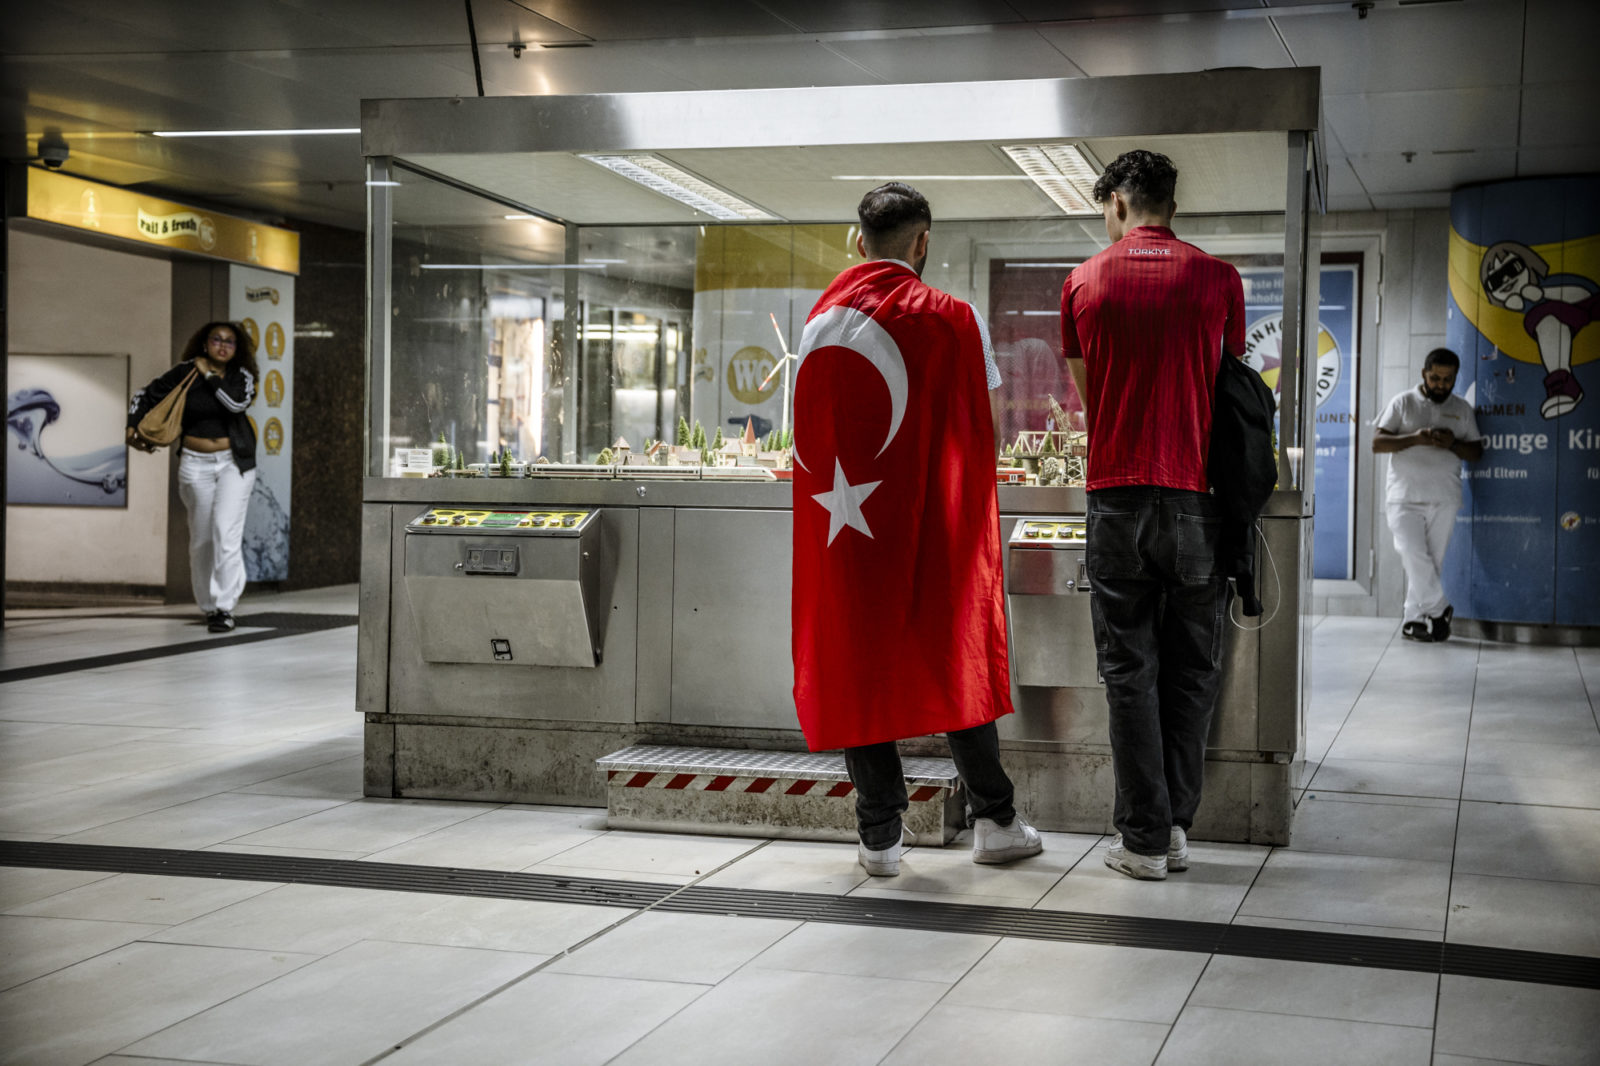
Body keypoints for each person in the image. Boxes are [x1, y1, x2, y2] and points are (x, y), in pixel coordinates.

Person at [792, 182, 1041, 877]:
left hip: (850, 530)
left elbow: (809, 439)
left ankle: (879, 838)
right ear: (923, 241)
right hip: (934, 527)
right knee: (953, 652)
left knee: (858, 664)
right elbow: (983, 430)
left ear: (858, 240)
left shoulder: (820, 322)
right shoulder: (958, 319)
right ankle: (995, 821)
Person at [1060, 150, 1244, 881]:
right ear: (1172, 203)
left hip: (1115, 496)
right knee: (1193, 669)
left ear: (1115, 205)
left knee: (1128, 671)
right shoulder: (1219, 279)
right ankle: (1172, 830)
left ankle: (1141, 839)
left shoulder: (1081, 281)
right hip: (1196, 499)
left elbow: (1090, 393)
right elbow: (1227, 385)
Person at [128, 322, 259, 633]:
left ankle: (225, 607)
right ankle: (209, 606)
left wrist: (209, 375)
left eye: (230, 342)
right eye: (217, 340)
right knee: (201, 539)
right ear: (205, 343)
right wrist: (132, 424)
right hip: (194, 463)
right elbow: (144, 394)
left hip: (234, 464)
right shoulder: (184, 372)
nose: (223, 346)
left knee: (224, 531)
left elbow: (235, 405)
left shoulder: (242, 377)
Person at [1373, 347, 1483, 642]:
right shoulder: (1403, 402)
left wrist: (1452, 444)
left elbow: (1476, 451)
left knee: (1428, 562)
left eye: (1448, 379)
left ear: (1455, 378)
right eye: (1435, 378)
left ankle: (1413, 619)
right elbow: (1377, 443)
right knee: (1411, 552)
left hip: (1444, 496)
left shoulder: (1461, 409)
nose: (1441, 385)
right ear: (1424, 373)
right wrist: (1415, 438)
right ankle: (1439, 607)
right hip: (1402, 496)